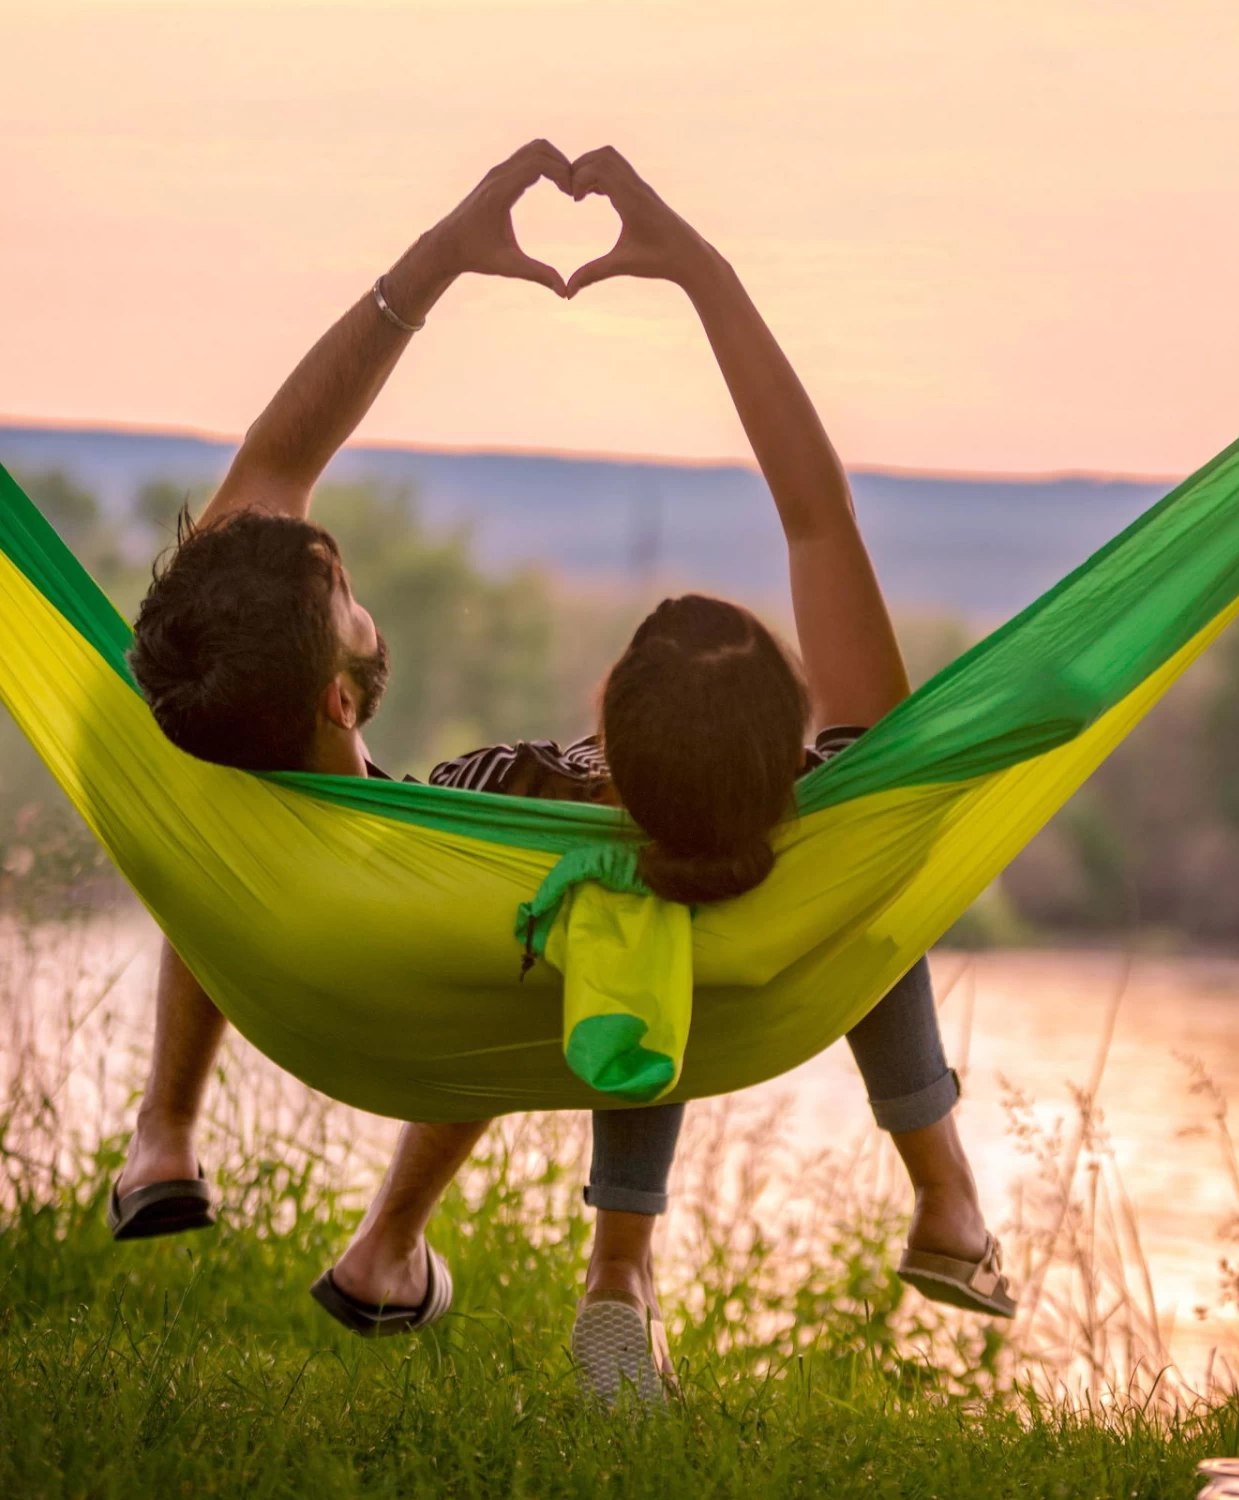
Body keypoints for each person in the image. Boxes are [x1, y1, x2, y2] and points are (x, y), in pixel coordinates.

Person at [111, 139, 1012, 1406]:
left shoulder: (202, 734)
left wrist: (425, 269)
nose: (358, 590)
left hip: (381, 979)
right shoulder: (679, 836)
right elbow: (819, 515)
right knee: (783, 899)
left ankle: (176, 1137)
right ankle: (716, 1249)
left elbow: (269, 465)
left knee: (220, 857)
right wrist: (703, 275)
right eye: (350, 597)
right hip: (636, 977)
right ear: (333, 690)